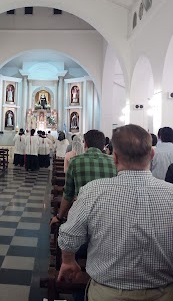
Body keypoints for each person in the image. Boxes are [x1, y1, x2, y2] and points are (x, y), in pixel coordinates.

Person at [58, 124, 173, 301]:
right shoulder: (170, 194)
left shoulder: (93, 191)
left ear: (115, 157)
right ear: (151, 155)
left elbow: (69, 235)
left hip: (108, 293)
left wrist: (67, 260)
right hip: (163, 293)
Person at [50, 129, 116, 225]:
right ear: (103, 145)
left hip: (82, 215)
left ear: (85, 144)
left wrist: (59, 217)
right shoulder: (113, 162)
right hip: (107, 215)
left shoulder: (75, 161)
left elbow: (68, 194)